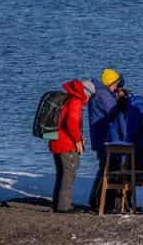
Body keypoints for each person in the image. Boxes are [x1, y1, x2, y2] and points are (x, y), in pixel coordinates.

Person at [49, 79, 93, 213]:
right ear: (86, 93)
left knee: (62, 173)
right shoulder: (76, 101)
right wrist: (78, 140)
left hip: (55, 140)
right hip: (65, 144)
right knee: (68, 173)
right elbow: (72, 123)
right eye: (90, 95)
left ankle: (59, 203)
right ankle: (64, 206)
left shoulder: (68, 98)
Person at [87, 68, 127, 209]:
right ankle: (99, 202)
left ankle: (101, 201)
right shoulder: (103, 96)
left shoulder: (101, 93)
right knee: (106, 169)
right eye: (116, 84)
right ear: (111, 83)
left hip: (100, 137)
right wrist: (122, 102)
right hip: (104, 138)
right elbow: (114, 113)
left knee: (105, 168)